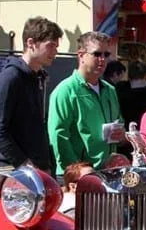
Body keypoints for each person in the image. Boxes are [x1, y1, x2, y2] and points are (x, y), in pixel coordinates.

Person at [0, 16, 60, 177]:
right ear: (30, 43)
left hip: (37, 168)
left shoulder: (38, 77)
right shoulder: (10, 77)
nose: (55, 51)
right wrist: (23, 164)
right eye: (50, 45)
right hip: (14, 171)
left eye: (56, 46)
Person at [47, 31, 124, 175]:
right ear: (81, 55)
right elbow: (58, 136)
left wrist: (121, 134)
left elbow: (119, 123)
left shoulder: (110, 90)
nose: (102, 59)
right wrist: (77, 171)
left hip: (108, 171)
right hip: (76, 175)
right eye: (96, 54)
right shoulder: (65, 91)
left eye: (106, 55)